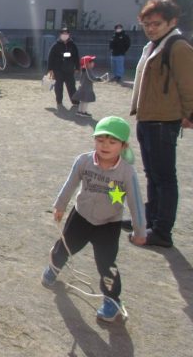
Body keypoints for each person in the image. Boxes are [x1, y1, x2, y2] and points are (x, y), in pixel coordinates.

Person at [41, 116, 146, 322]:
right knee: (63, 247)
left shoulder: (127, 172)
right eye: (100, 140)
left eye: (112, 142)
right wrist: (60, 206)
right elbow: (70, 184)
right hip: (81, 217)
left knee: (107, 263)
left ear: (123, 146)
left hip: (109, 224)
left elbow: (136, 202)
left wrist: (140, 231)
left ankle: (112, 300)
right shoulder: (84, 161)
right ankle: (54, 267)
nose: (105, 146)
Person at [126, 0, 193, 247]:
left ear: (171, 22)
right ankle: (149, 219)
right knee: (152, 174)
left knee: (164, 177)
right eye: (146, 24)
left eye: (156, 24)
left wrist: (190, 114)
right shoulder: (154, 45)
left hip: (163, 120)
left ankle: (162, 230)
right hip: (148, 117)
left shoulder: (177, 46)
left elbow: (189, 83)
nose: (151, 28)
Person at [47, 27, 80, 107]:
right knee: (58, 86)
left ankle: (75, 101)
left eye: (66, 34)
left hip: (69, 69)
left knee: (71, 86)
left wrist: (77, 67)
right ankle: (59, 101)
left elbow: (76, 57)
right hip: (58, 69)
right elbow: (51, 57)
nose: (65, 35)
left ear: (69, 35)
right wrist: (50, 69)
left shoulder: (72, 45)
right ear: (60, 35)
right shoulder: (55, 45)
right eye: (63, 34)